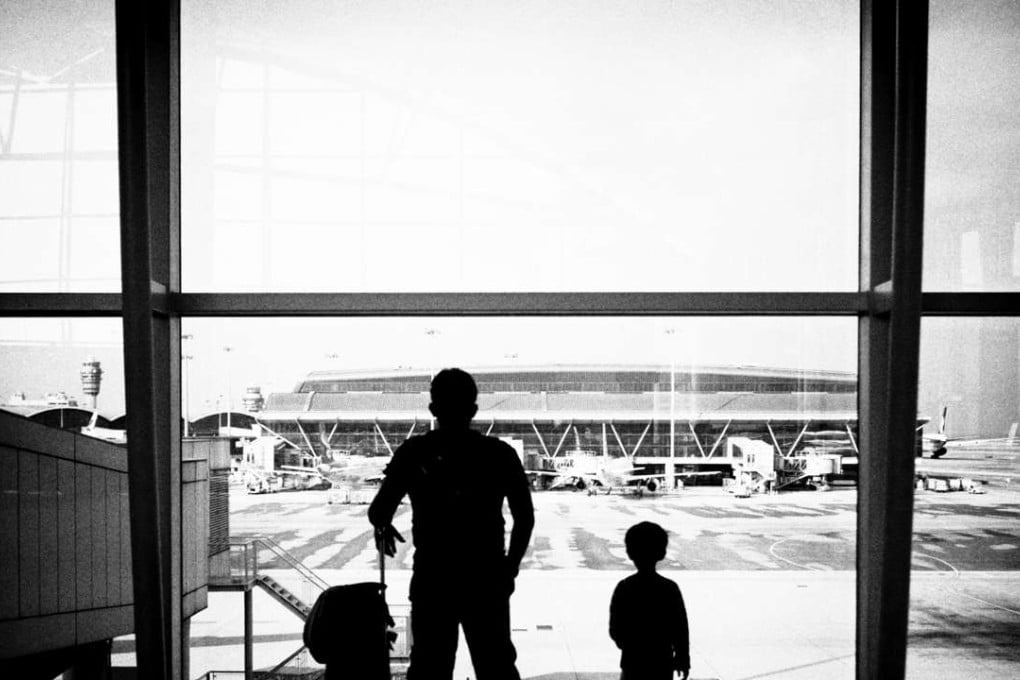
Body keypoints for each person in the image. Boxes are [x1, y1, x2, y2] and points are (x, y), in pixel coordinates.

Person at [368, 368, 535, 680]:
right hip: (486, 577)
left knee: (430, 666)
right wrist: (509, 567)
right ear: (473, 410)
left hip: (434, 577)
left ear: (433, 409)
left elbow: (379, 509)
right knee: (496, 664)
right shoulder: (499, 454)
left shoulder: (414, 452)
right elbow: (525, 518)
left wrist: (383, 525)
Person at [609, 521, 690, 680]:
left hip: (632, 663)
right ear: (662, 552)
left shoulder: (624, 587)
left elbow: (616, 629)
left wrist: (629, 646)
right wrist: (683, 658)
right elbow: (681, 629)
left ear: (629, 552)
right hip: (662, 663)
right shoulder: (670, 589)